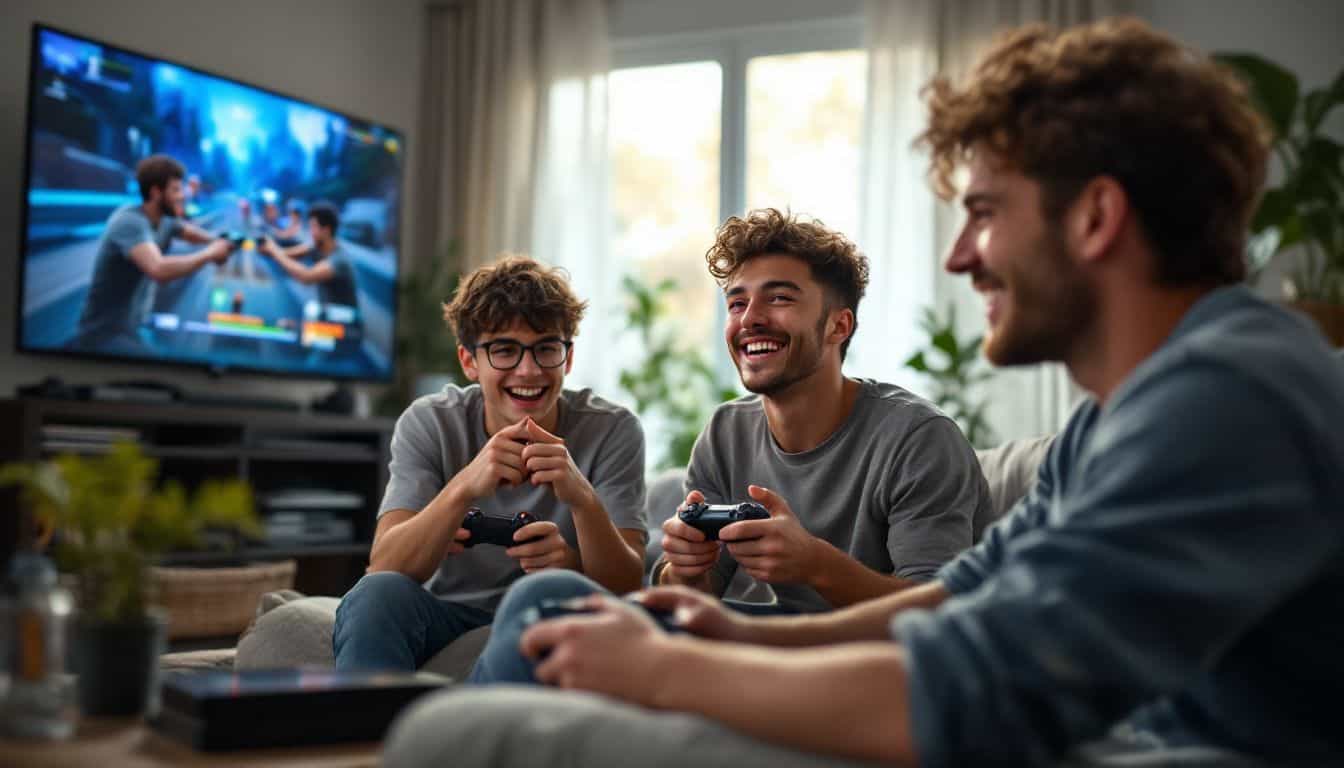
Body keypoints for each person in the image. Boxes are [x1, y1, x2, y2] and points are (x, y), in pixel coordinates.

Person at [383, 17, 1344, 768]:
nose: (963, 255)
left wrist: (684, 668)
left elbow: (981, 683)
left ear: (1096, 215)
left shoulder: (1230, 392)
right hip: (1107, 729)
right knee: (559, 616)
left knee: (452, 739)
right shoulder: (1120, 413)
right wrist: (722, 629)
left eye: (983, 214)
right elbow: (971, 593)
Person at [468, 208, 992, 683]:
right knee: (546, 597)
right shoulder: (726, 432)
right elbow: (694, 599)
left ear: (839, 324)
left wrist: (814, 563)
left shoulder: (917, 439)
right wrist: (688, 568)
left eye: (780, 298)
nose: (750, 318)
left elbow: (938, 616)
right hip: (764, 640)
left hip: (874, 663)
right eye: (737, 302)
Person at [332, 255, 648, 672]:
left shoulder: (612, 429)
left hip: (549, 610)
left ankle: (464, 731)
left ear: (567, 358)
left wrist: (581, 503)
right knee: (375, 596)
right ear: (469, 361)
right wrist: (463, 487)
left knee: (547, 591)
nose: (528, 370)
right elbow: (383, 566)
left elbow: (626, 587)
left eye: (546, 349)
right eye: (504, 351)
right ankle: (375, 736)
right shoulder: (431, 422)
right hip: (445, 614)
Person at [74, 154, 234, 353]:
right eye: (176, 189)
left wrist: (217, 239)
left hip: (134, 328)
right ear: (156, 192)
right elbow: (158, 269)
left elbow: (188, 232)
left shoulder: (164, 219)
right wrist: (210, 254)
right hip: (104, 335)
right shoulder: (129, 222)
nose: (183, 195)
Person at [258, 201, 364, 356]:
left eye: (313, 227)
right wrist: (267, 248)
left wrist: (274, 251)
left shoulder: (339, 259)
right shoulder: (316, 246)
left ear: (326, 230)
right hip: (326, 321)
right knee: (283, 329)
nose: (310, 232)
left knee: (291, 340)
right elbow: (286, 253)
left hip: (344, 331)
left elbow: (306, 277)